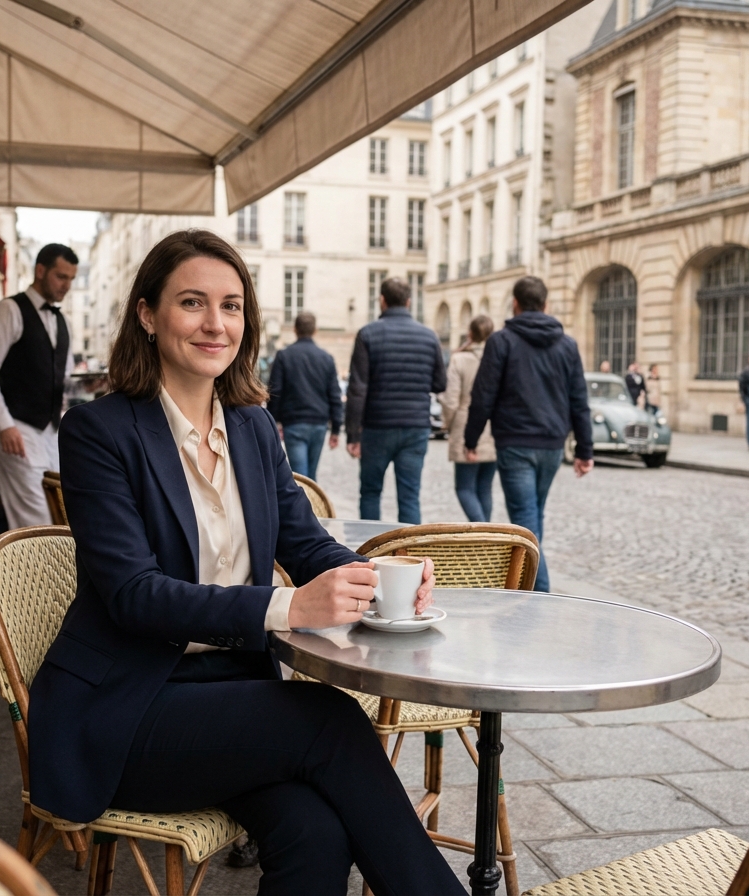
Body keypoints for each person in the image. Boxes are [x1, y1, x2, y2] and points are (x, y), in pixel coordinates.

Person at [30, 230, 463, 895]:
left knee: (316, 834)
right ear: (148, 314)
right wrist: (289, 606)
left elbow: (303, 539)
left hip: (232, 700)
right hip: (129, 710)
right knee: (332, 720)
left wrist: (379, 581)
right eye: (193, 303)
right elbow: (133, 595)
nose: (216, 323)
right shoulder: (100, 431)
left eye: (231, 306)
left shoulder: (254, 427)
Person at [465, 276, 594, 593]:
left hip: (516, 442)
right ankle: (529, 587)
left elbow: (483, 396)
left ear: (516, 304)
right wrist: (584, 450)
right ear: (546, 305)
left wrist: (471, 439)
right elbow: (579, 400)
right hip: (551, 444)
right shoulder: (567, 345)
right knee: (533, 514)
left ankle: (540, 593)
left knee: (526, 519)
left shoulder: (502, 341)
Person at [0, 244, 76, 529]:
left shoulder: (64, 322)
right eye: (61, 276)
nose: (66, 285)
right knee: (36, 520)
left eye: (71, 279)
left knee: (61, 512)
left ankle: (50, 572)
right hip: (16, 426)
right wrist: (4, 424)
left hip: (51, 432)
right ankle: (32, 572)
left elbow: (62, 378)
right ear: (40, 270)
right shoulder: (8, 310)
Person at [344, 278, 446, 524]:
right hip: (415, 426)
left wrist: (353, 435)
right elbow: (440, 384)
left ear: (382, 300)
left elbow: (358, 389)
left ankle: (371, 551)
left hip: (377, 426)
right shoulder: (429, 337)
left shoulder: (367, 334)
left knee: (370, 492)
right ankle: (409, 554)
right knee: (410, 496)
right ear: (409, 302)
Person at [266, 311, 343, 481]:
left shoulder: (284, 356)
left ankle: (304, 506)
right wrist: (336, 427)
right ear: (315, 330)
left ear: (295, 329)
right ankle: (309, 506)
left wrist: (273, 421)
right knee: (311, 476)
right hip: (318, 423)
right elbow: (334, 395)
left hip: (294, 422)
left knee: (300, 478)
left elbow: (275, 391)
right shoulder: (326, 358)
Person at [440, 315, 497, 522]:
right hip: (493, 426)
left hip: (466, 424)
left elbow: (451, 399)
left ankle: (483, 534)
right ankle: (488, 536)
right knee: (485, 488)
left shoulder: (460, 359)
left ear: (470, 334)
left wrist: (447, 422)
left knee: (464, 487)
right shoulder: (498, 356)